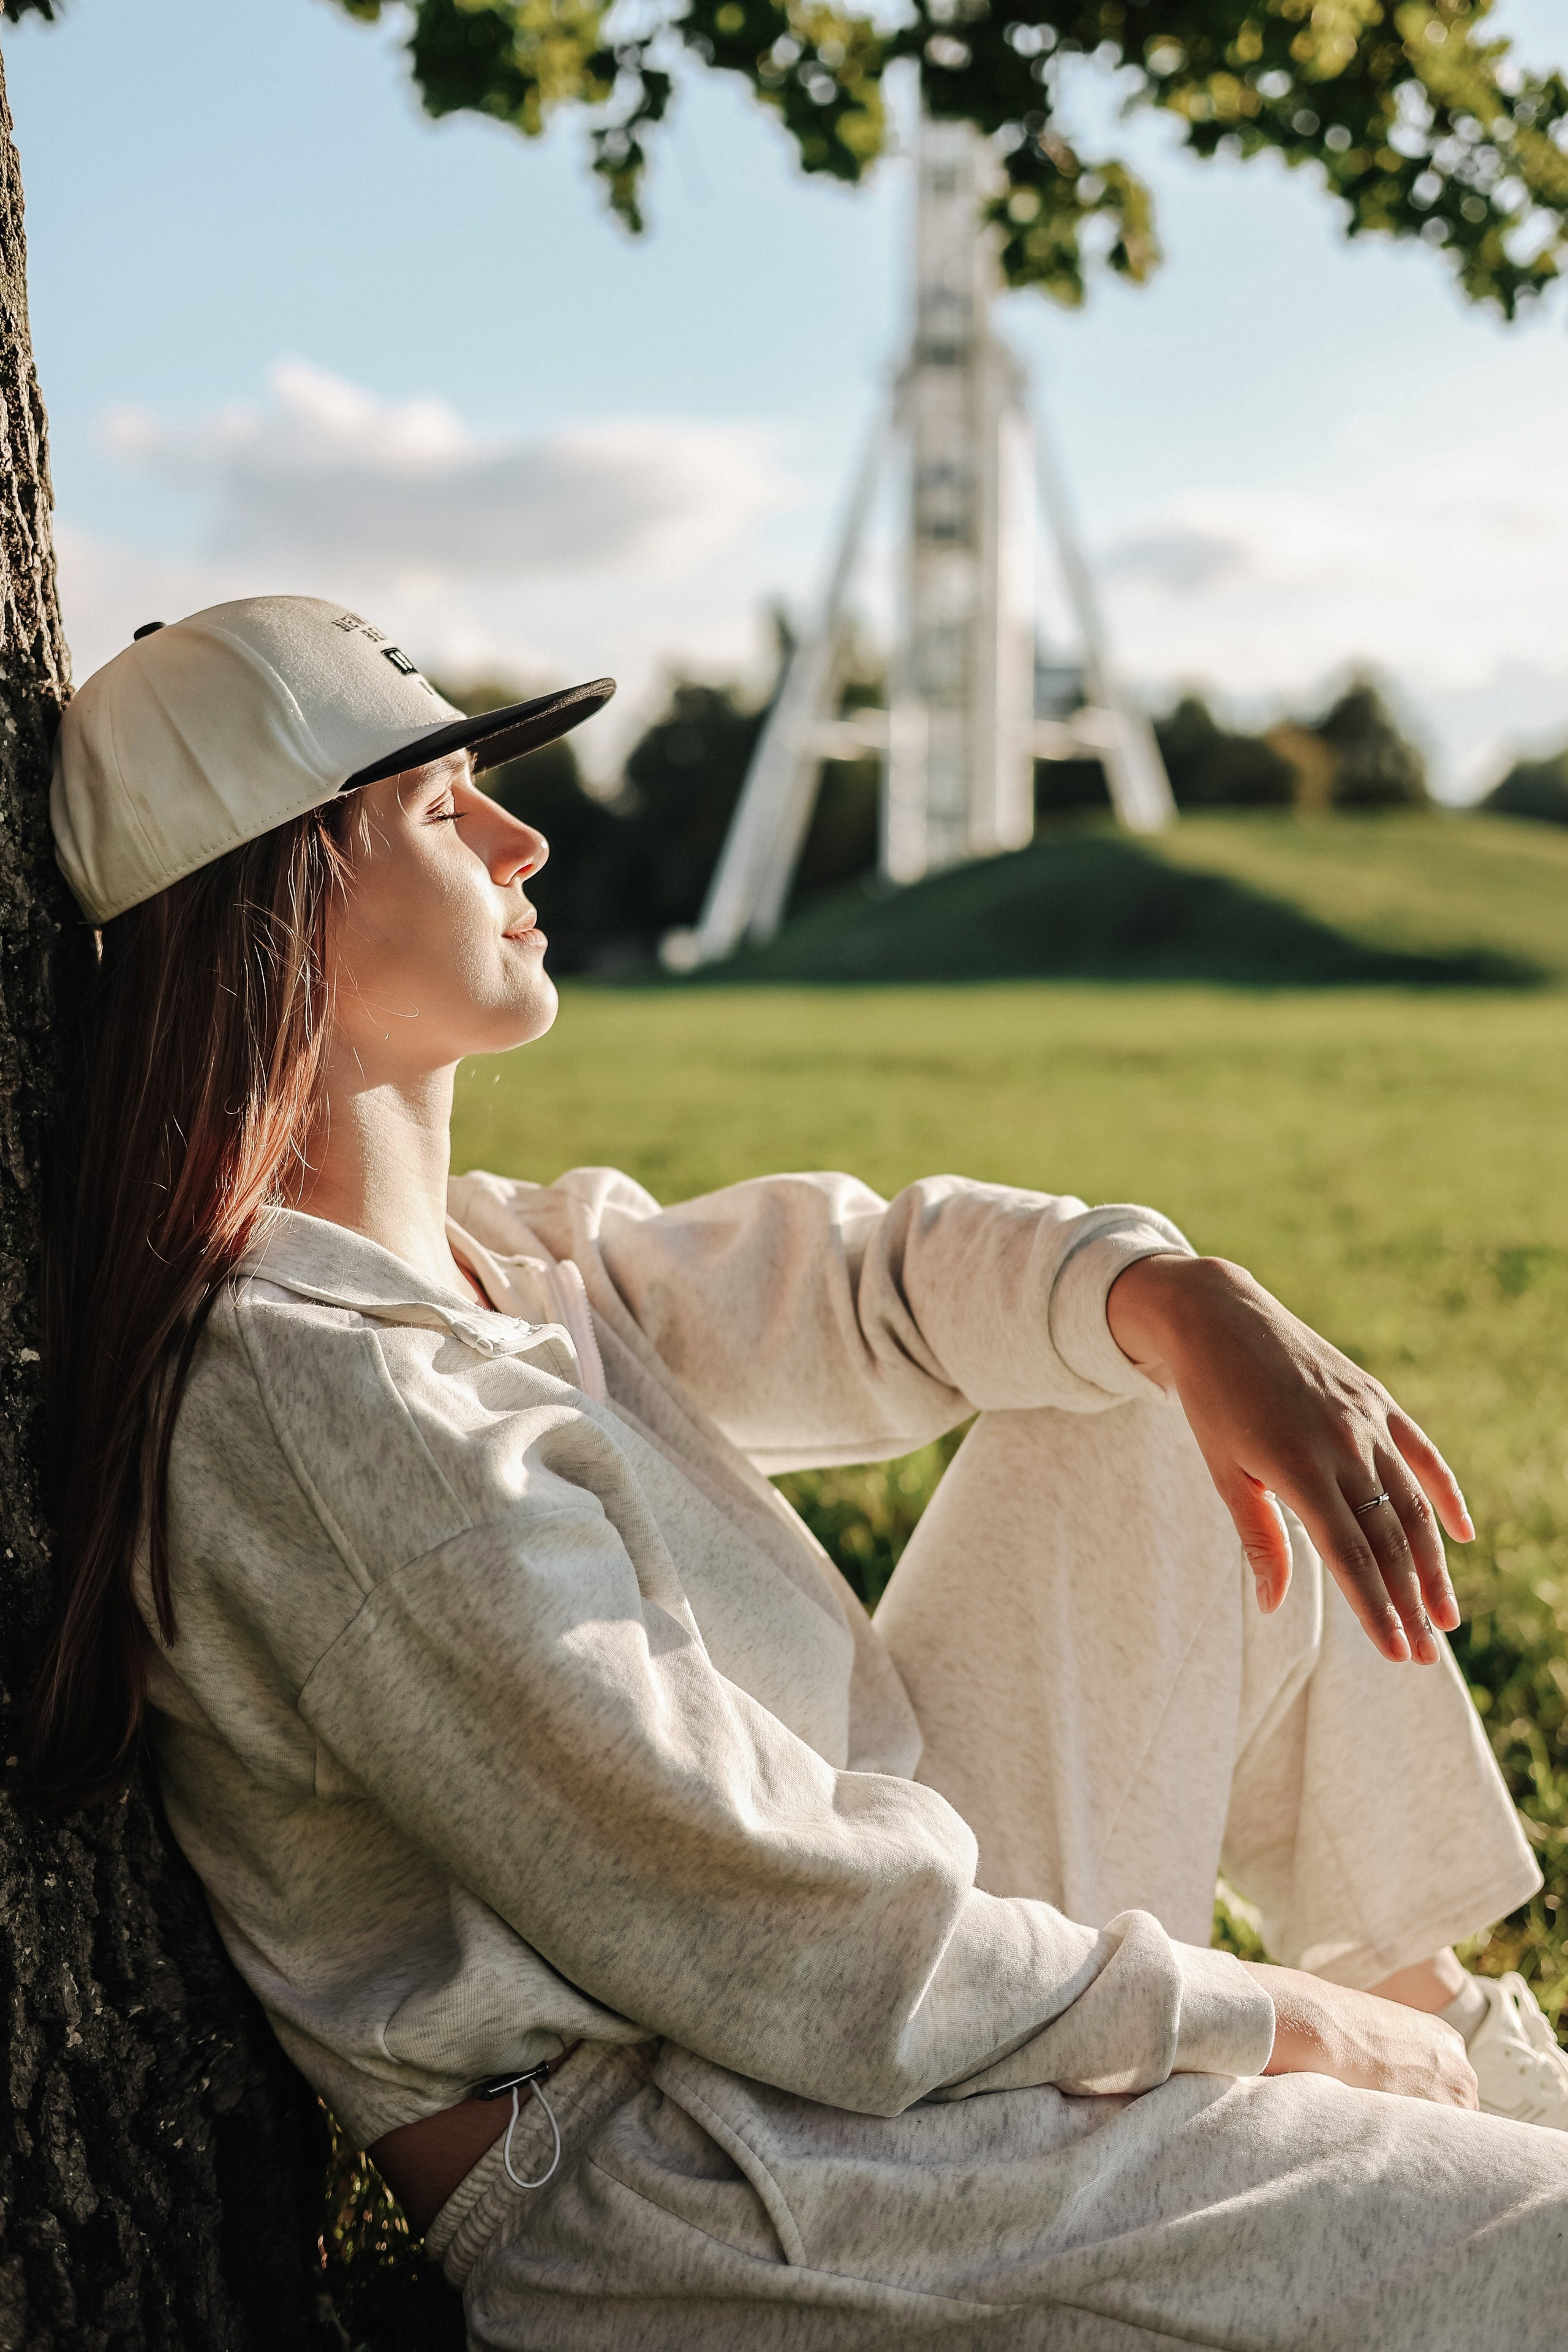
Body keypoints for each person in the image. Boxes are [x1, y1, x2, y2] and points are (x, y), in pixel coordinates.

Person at [29, 596, 1568, 2351]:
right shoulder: (322, 1418)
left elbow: (871, 1281)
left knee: (1129, 1388)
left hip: (864, 2015)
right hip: (725, 2181)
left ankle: (1439, 2029)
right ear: (285, 895)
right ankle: (1396, 2074)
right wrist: (1258, 2024)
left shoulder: (497, 1266)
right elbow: (775, 1937)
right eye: (445, 807)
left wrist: (1174, 1294)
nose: (526, 836)